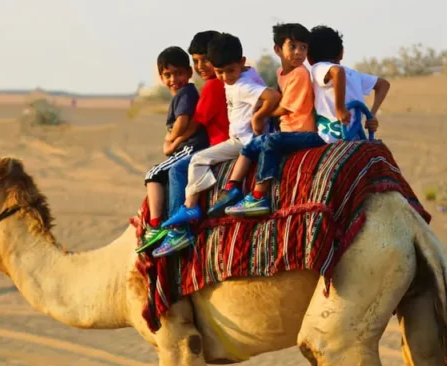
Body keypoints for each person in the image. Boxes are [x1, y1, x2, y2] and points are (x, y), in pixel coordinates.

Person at [153, 33, 281, 256]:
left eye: (205, 60)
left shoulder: (218, 85)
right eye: (196, 61)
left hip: (230, 140)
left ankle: (179, 227)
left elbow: (193, 123)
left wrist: (172, 142)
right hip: (238, 138)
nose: (201, 66)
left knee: (177, 170)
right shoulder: (239, 77)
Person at [209, 22, 319, 217]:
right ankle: (231, 188)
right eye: (292, 47)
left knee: (270, 141)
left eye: (303, 47)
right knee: (251, 146)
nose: (299, 52)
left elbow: (285, 107)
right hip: (287, 131)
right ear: (278, 49)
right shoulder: (282, 73)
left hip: (302, 132)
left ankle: (259, 194)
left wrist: (260, 113)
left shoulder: (301, 73)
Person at [136, 47, 209, 252]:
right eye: (167, 75)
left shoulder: (185, 94)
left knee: (153, 173)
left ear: (188, 73)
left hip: (190, 148)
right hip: (187, 146)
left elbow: (182, 121)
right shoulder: (183, 94)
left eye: (178, 73)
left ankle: (157, 225)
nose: (173, 79)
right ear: (161, 77)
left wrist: (170, 139)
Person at [305, 25, 389, 145]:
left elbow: (337, 72)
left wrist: (340, 109)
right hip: (356, 137)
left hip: (329, 137)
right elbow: (383, 84)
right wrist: (372, 115)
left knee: (279, 142)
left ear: (309, 58)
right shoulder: (353, 74)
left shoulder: (317, 68)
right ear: (341, 53)